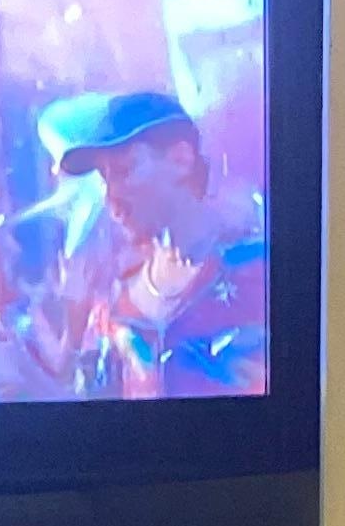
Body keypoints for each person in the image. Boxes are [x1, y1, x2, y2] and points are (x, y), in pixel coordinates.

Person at [45, 90, 269, 399]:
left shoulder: (259, 272)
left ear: (181, 159)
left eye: (124, 171)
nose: (111, 197)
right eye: (104, 178)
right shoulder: (115, 299)